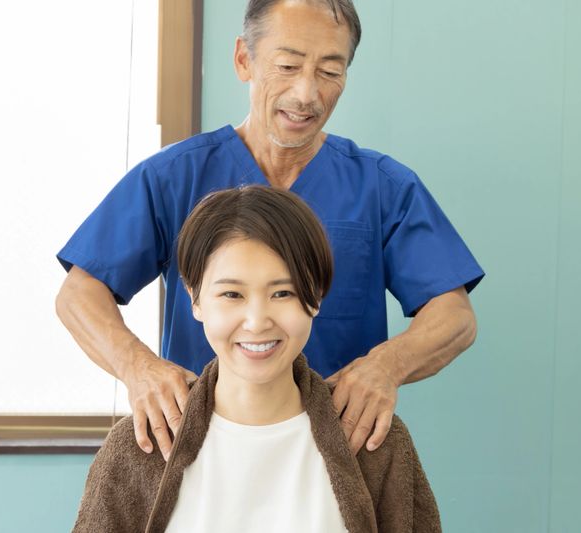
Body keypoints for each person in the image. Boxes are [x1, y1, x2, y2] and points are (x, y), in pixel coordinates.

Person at [56, 0, 484, 462]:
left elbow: (454, 316)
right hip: (201, 448)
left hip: (334, 451)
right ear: (244, 59)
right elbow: (79, 293)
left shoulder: (383, 187)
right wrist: (138, 368)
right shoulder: (173, 177)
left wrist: (385, 367)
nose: (307, 94)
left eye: (329, 71)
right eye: (288, 66)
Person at [72, 186, 441, 533]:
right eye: (232, 294)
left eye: (283, 293)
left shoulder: (375, 440)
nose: (257, 321)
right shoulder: (141, 444)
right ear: (195, 299)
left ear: (316, 296)